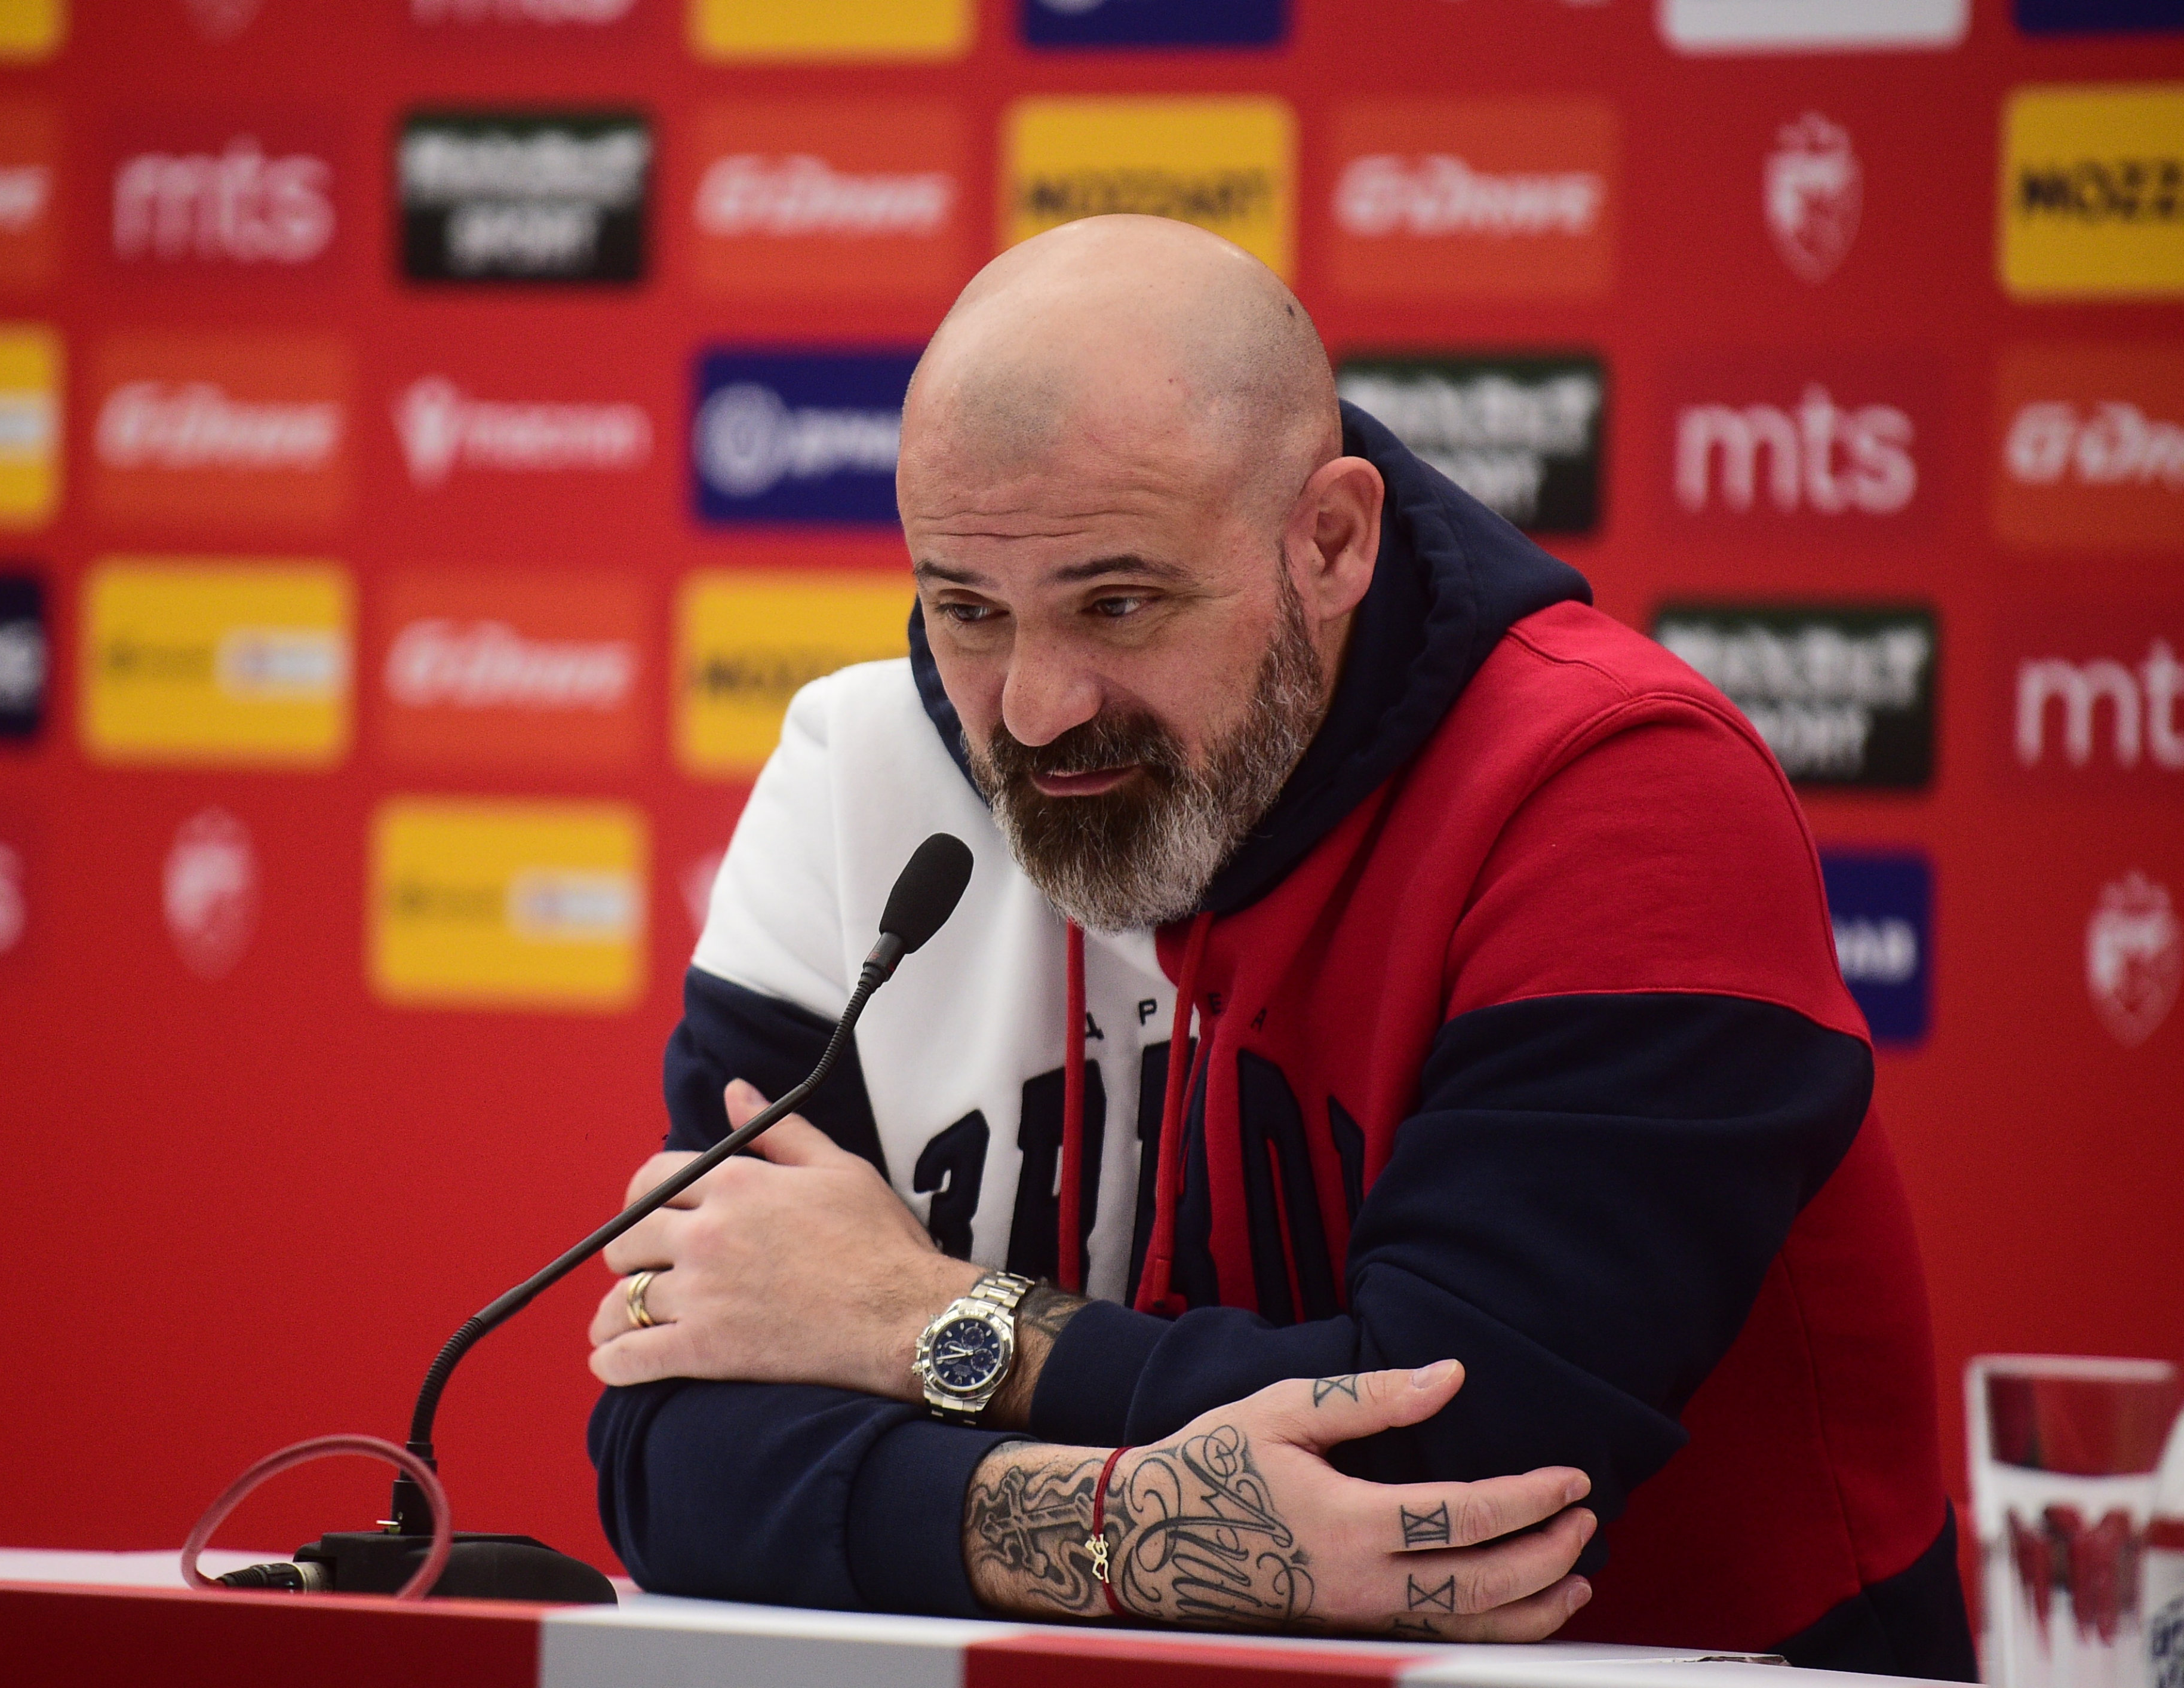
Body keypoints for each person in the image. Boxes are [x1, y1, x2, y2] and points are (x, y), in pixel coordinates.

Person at [583, 215, 1974, 1675]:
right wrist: (1129, 1537)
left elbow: (1472, 1474)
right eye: (967, 610)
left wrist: (916, 1320)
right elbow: (670, 1440)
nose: (1040, 705)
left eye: (1119, 602)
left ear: (1329, 542)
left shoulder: (1620, 790)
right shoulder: (861, 778)